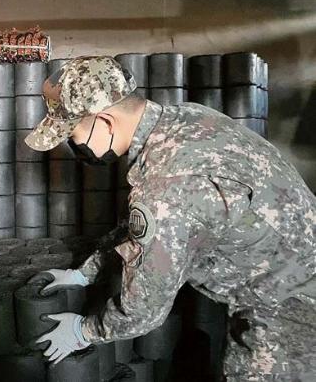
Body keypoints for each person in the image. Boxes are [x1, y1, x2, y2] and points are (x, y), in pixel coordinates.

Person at [25, 56, 316, 381]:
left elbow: (143, 311)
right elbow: (141, 230)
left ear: (105, 122)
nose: (73, 146)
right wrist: (86, 273)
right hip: (291, 265)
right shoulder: (185, 118)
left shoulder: (165, 187)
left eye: (72, 136)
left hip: (293, 302)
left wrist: (84, 330)